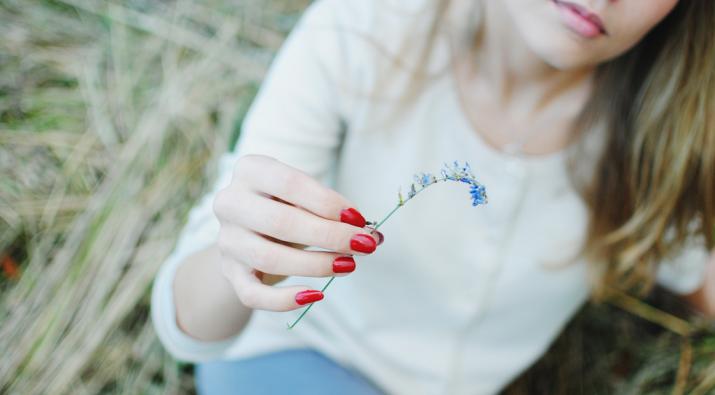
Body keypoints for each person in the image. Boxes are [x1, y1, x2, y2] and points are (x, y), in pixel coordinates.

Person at [150, 0, 715, 394]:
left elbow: (695, 273)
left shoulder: (661, 129)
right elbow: (188, 326)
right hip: (290, 358)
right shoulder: (362, 31)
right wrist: (240, 260)